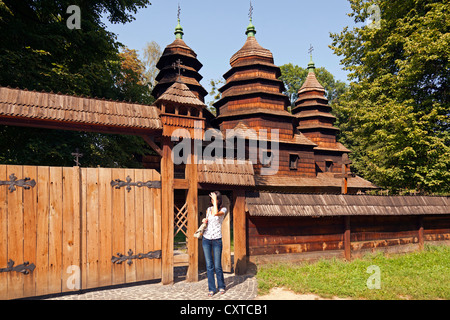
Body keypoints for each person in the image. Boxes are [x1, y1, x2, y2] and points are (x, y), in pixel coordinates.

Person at [202, 191, 227, 297]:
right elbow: (209, 221)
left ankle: (221, 286)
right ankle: (211, 289)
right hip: (206, 239)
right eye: (211, 199)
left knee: (217, 266)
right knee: (209, 266)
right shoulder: (208, 209)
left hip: (217, 240)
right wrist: (204, 221)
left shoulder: (223, 209)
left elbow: (216, 213)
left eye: (214, 199)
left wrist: (215, 202)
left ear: (218, 200)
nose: (212, 201)